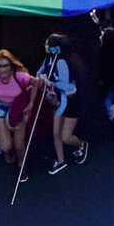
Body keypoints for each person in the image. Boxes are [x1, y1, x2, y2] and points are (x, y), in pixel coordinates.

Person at [0, 49, 38, 178]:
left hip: (17, 108)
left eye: (6, 65)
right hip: (1, 107)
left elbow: (35, 83)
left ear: (11, 66)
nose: (3, 69)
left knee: (19, 144)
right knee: (6, 148)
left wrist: (30, 103)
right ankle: (12, 154)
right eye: (0, 66)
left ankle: (21, 164)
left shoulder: (19, 76)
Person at [38, 32, 87, 175]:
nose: (46, 46)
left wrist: (49, 82)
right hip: (57, 101)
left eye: (50, 44)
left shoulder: (61, 62)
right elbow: (39, 72)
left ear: (57, 47)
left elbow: (65, 84)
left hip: (70, 101)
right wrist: (40, 78)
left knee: (65, 137)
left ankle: (81, 144)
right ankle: (61, 161)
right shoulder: (48, 59)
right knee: (55, 133)